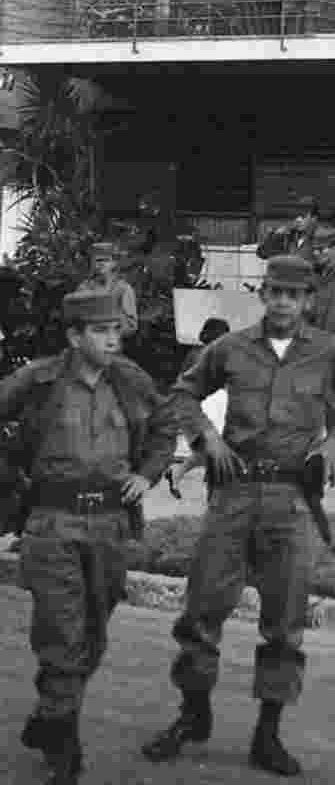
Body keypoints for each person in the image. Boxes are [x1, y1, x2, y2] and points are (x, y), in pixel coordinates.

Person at [142, 254, 335, 777]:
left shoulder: (330, 352)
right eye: (273, 291)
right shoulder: (230, 348)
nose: (282, 302)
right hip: (232, 494)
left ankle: (267, 736)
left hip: (291, 499)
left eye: (292, 295)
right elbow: (183, 392)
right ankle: (193, 714)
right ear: (263, 294)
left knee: (285, 622)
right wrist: (204, 438)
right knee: (201, 611)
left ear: (308, 301)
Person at [0, 285, 177, 784]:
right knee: (62, 632)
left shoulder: (130, 380)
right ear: (75, 336)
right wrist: (10, 476)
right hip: (52, 524)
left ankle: (49, 713)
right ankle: (65, 746)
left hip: (110, 527)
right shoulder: (38, 380)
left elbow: (166, 426)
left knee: (93, 636)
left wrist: (149, 472)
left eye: (115, 330)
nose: (112, 340)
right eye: (100, 331)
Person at [166, 318, 231, 497]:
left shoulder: (196, 353)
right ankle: (214, 492)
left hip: (193, 410)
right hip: (200, 411)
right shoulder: (208, 355)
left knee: (206, 451)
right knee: (212, 450)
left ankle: (178, 473)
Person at [86, 241, 138, 336]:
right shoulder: (84, 287)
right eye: (98, 260)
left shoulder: (124, 289)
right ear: (92, 263)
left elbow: (131, 327)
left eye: (106, 260)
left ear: (114, 263)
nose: (101, 264)